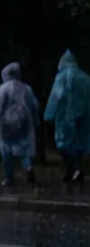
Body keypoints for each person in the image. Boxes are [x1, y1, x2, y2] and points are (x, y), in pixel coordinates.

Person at [0, 62, 40, 186]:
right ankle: (28, 167)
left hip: (6, 123)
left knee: (6, 150)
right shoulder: (27, 88)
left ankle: (9, 178)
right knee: (24, 148)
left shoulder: (3, 89)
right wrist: (36, 121)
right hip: (25, 123)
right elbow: (35, 105)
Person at [44, 50, 90, 183]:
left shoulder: (62, 77)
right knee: (80, 143)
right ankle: (76, 169)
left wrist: (48, 115)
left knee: (64, 144)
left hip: (65, 117)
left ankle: (72, 169)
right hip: (84, 116)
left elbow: (55, 97)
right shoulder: (86, 78)